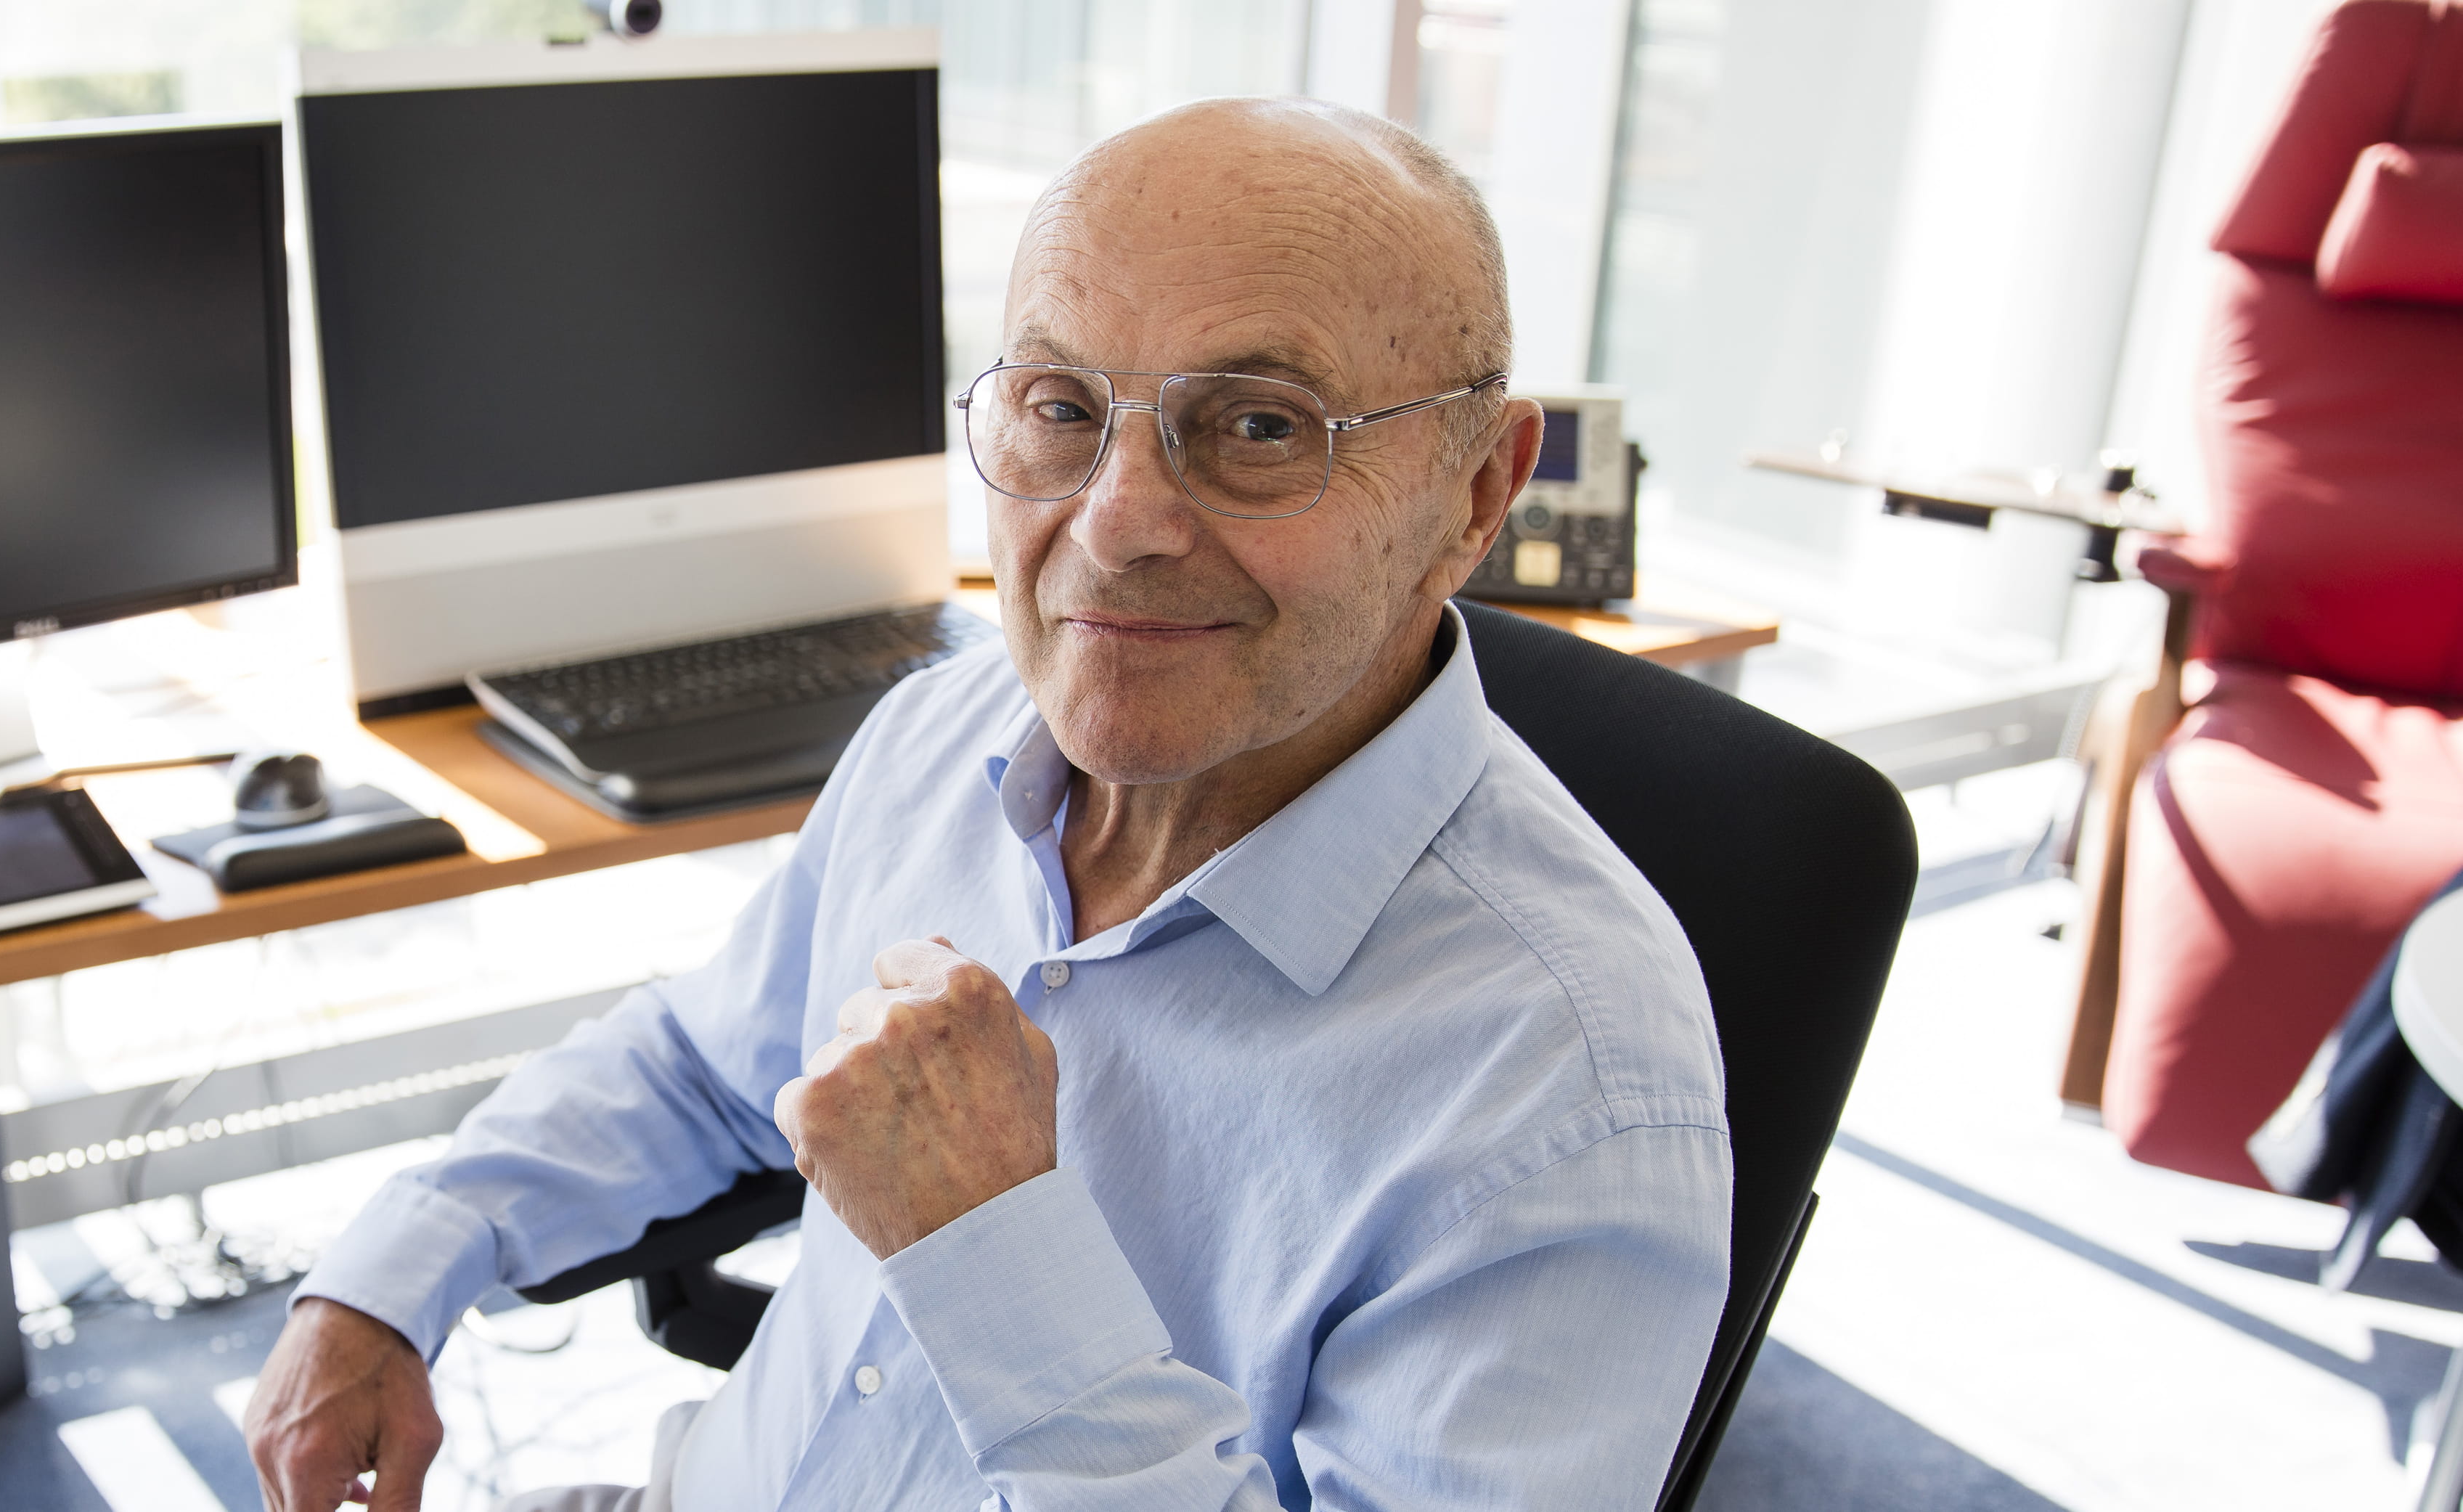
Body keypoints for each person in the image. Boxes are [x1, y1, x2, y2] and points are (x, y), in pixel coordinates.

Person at [244, 97, 1731, 1512]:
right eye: (1061, 406)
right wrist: (398, 1255)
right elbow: (708, 1064)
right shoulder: (948, 724)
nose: (1117, 524)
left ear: (1478, 489)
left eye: (1262, 427)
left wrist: (988, 1243)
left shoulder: (1579, 1091)